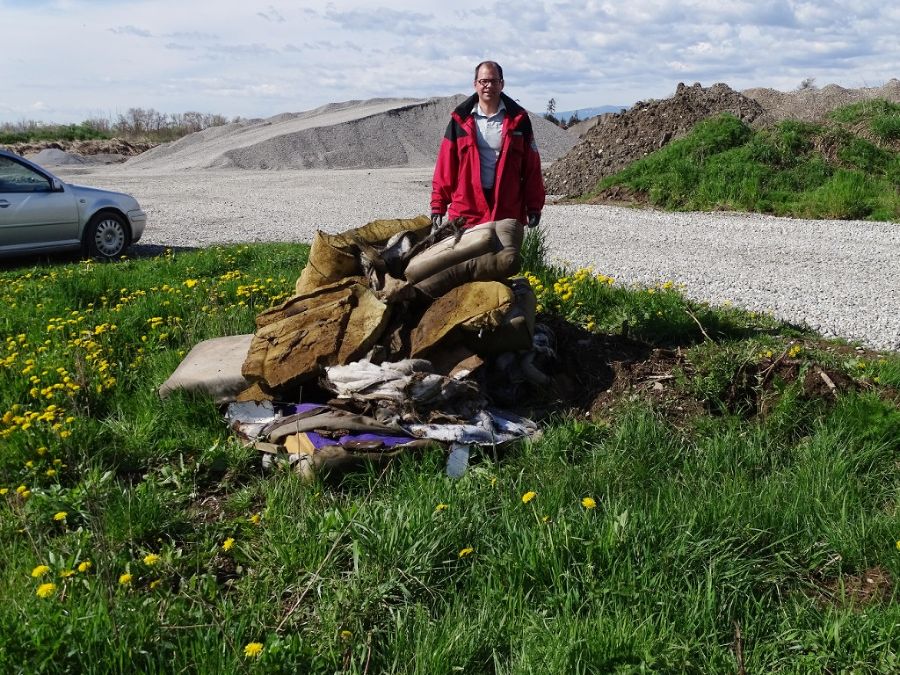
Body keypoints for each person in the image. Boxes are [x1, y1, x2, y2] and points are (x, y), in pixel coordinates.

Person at [431, 61, 545, 231]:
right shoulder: (459, 121)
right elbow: (445, 166)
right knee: (468, 258)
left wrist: (534, 205)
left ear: (502, 84)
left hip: (506, 211)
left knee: (504, 257)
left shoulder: (519, 121)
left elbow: (531, 167)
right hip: (467, 211)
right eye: (484, 81)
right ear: (475, 84)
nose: (488, 86)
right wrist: (438, 205)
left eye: (494, 81)